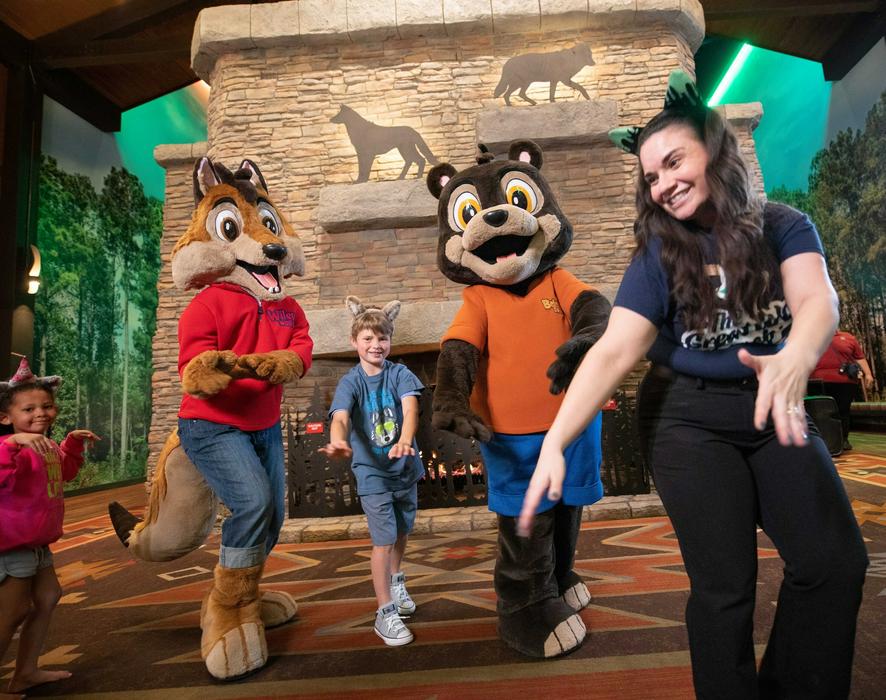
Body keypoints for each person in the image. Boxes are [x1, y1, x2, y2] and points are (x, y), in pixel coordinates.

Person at [519, 71, 868, 699]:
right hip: (686, 418)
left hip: (774, 404)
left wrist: (795, 356)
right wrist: (555, 442)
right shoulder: (658, 252)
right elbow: (614, 350)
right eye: (651, 176)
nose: (663, 184)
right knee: (724, 588)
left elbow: (819, 301)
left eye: (674, 161)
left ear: (716, 152)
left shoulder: (783, 225)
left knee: (834, 562)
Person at [319, 296, 425, 647]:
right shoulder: (351, 382)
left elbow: (410, 409)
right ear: (355, 342)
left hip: (405, 470)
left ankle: (396, 581)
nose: (376, 345)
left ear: (390, 340)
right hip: (373, 474)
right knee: (383, 541)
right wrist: (338, 440)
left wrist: (406, 440)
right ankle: (385, 612)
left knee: (401, 531)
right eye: (367, 338)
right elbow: (340, 417)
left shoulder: (400, 374)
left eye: (382, 338)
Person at [0, 358, 99, 698]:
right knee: (12, 612)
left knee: (47, 597)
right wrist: (12, 444)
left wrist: (71, 444)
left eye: (47, 406)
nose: (41, 413)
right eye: (28, 409)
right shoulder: (10, 448)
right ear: (5, 417)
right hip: (12, 545)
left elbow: (65, 473)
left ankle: (25, 673)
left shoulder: (48, 446)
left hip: (38, 543)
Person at [810, 329, 874, 450]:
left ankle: (843, 439)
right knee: (819, 412)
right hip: (817, 381)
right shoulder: (810, 337)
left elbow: (860, 357)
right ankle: (822, 441)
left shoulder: (848, 338)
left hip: (844, 382)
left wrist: (868, 374)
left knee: (843, 411)